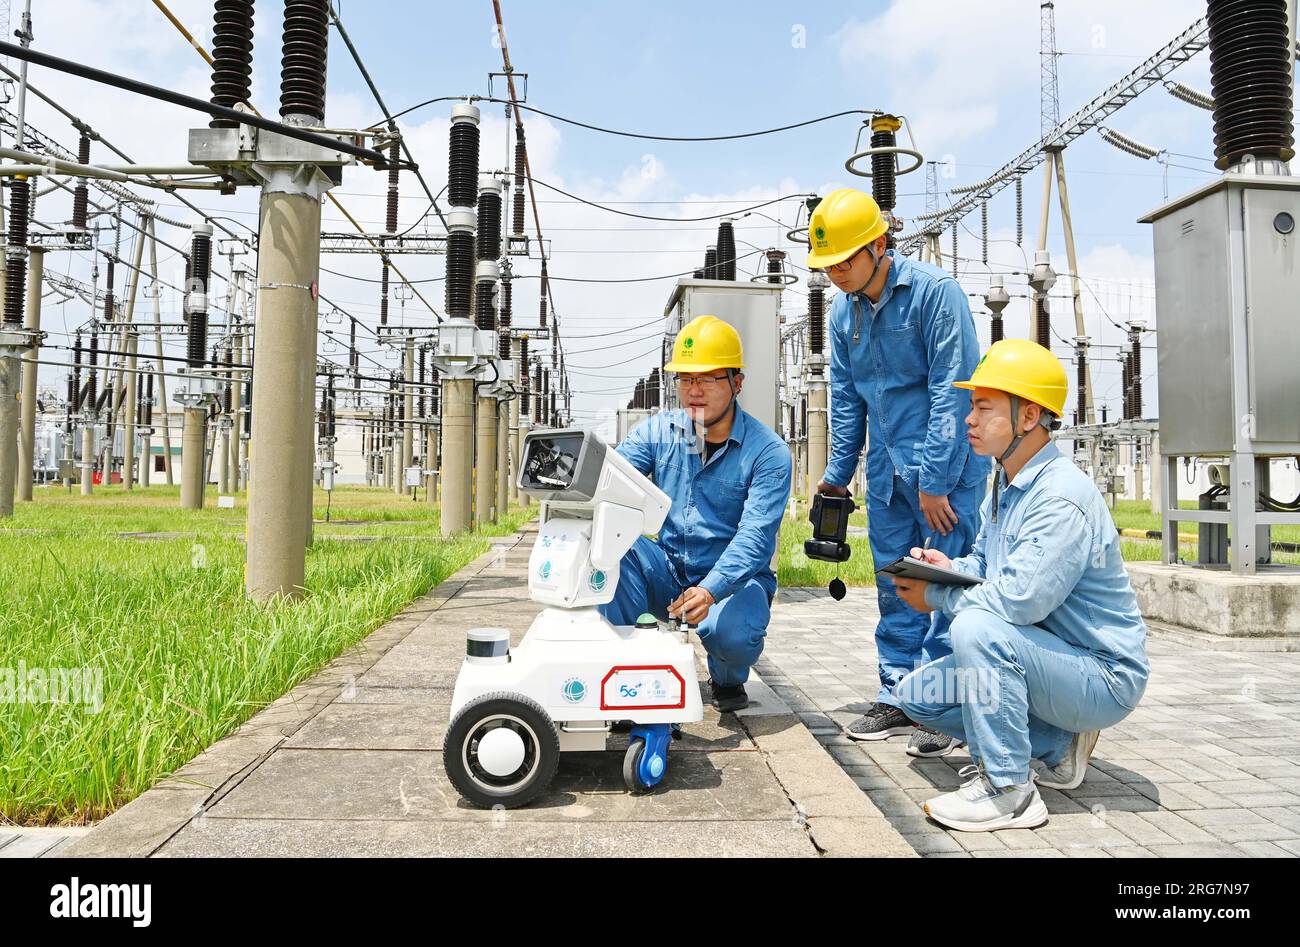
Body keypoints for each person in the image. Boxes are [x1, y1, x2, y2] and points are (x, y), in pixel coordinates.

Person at [887, 339, 1150, 831]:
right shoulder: (1006, 484)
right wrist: (947, 568)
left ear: (1029, 417)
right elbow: (989, 565)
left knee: (976, 630)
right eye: (971, 407)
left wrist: (938, 596)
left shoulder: (1061, 497)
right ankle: (1057, 743)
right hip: (1047, 660)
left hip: (1100, 675)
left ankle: (1009, 791)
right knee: (919, 696)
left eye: (984, 408)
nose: (969, 419)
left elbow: (1018, 601)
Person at [808, 187, 989, 756]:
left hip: (945, 473)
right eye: (827, 264)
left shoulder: (935, 296)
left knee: (944, 584)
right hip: (886, 476)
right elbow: (846, 397)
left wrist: (935, 480)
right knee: (895, 585)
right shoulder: (844, 316)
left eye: (845, 259)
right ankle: (900, 696)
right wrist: (838, 472)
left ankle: (942, 706)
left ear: (879, 246)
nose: (836, 272)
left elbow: (953, 389)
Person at [598, 315, 793, 711]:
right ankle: (627, 672)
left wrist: (710, 589)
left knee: (730, 634)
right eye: (685, 379)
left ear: (737, 383)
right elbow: (613, 479)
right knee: (611, 549)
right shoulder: (659, 432)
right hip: (666, 568)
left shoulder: (769, 453)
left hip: (732, 580)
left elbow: (755, 538)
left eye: (707, 379)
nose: (694, 391)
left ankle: (726, 677)